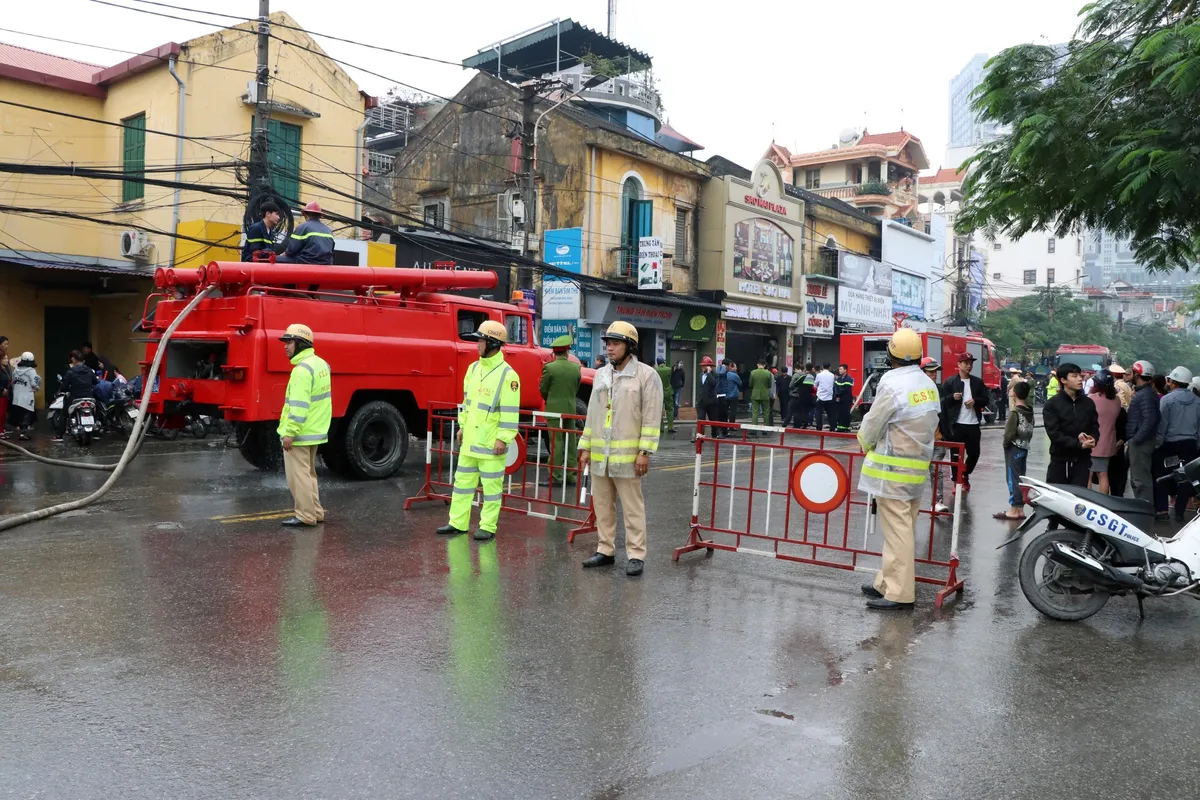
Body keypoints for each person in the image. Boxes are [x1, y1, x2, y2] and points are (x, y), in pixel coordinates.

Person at [856, 329, 940, 611]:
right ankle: (885, 582)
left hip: (892, 472)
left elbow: (874, 421)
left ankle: (900, 593)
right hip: (916, 472)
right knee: (900, 531)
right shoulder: (928, 385)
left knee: (898, 534)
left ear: (890, 354)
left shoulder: (892, 384)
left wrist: (863, 441)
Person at [578, 321, 663, 577]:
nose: (609, 348)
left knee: (632, 507)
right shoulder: (602, 375)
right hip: (601, 455)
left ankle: (636, 555)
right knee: (602, 505)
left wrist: (645, 452)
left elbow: (651, 416)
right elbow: (592, 414)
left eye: (615, 343)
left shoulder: (647, 376)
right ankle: (605, 550)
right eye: (608, 344)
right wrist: (586, 447)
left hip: (629, 457)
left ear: (630, 346)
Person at [437, 320, 520, 541]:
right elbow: (467, 402)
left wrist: (503, 438)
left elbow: (510, 412)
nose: (477, 344)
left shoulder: (508, 375)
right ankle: (457, 523)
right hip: (471, 441)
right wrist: (462, 425)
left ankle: (488, 527)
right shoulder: (473, 369)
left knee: (492, 488)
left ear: (493, 343)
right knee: (462, 485)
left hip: (492, 443)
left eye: (481, 340)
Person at [276, 324, 332, 528]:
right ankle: (316, 512)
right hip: (314, 431)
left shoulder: (301, 370)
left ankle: (306, 516)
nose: (285, 347)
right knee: (309, 476)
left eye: (289, 342)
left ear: (301, 344)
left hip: (299, 433)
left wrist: (289, 432)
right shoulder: (320, 364)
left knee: (298, 478)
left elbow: (298, 407)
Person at [1155, 366, 1200, 522]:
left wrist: (1158, 444)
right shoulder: (1197, 402)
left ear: (1173, 382)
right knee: (1186, 478)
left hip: (1170, 445)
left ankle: (1162, 510)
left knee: (1163, 476)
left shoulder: (1167, 400)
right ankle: (1179, 511)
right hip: (1190, 445)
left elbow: (1162, 426)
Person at [1042, 362, 1098, 487]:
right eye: (1074, 376)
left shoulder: (1088, 403)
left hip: (1082, 461)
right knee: (1057, 499)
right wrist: (1078, 444)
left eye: (1080, 375)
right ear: (1063, 380)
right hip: (1060, 461)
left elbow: (1095, 426)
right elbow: (1054, 433)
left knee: (1079, 500)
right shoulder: (1052, 404)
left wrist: (1093, 438)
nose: (1079, 379)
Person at [940, 353, 988, 492]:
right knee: (955, 455)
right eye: (966, 363)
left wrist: (975, 401)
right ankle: (957, 482)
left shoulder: (977, 382)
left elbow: (986, 399)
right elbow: (943, 402)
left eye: (971, 363)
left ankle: (964, 475)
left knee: (974, 453)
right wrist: (952, 397)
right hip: (957, 424)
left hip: (973, 424)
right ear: (958, 365)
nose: (969, 365)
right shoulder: (950, 382)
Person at [539, 334, 581, 486]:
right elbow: (576, 387)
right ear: (567, 351)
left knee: (555, 443)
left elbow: (543, 389)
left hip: (554, 409)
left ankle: (556, 476)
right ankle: (571, 476)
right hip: (570, 407)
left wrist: (550, 399)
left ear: (554, 352)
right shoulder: (576, 367)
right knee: (570, 442)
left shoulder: (549, 367)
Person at [996, 380, 1035, 519]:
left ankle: (1013, 509)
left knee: (1012, 478)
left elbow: (1009, 434)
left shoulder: (1015, 413)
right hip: (1024, 447)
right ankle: (1020, 509)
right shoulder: (1030, 412)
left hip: (1014, 448)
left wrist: (1006, 444)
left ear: (1014, 393)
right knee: (1021, 478)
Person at [1125, 360, 1160, 507]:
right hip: (1140, 441)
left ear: (1137, 374)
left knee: (1141, 481)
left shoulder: (1145, 394)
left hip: (1141, 443)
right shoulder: (1146, 393)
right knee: (1138, 479)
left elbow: (1150, 419)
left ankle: (1144, 511)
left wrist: (1136, 439)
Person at [922, 357, 952, 514]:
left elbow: (945, 414)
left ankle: (937, 501)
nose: (933, 375)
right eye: (930, 372)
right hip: (918, 441)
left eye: (935, 372)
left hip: (937, 439)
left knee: (936, 471)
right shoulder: (915, 391)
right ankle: (910, 503)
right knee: (914, 473)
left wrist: (947, 434)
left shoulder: (940, 390)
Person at [1088, 370, 1124, 495]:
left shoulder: (1091, 399)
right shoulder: (1117, 401)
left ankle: (1088, 500)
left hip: (1092, 441)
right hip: (1109, 443)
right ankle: (1103, 501)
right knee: (1103, 474)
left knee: (1088, 474)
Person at [53, 350, 98, 442]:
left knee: (64, 414)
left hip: (75, 397)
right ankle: (96, 434)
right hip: (89, 396)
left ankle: (59, 436)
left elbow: (64, 385)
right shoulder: (89, 370)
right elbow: (96, 382)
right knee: (95, 412)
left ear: (74, 360)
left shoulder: (71, 371)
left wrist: (61, 391)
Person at [9, 352, 41, 441]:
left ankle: (21, 432)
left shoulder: (15, 370)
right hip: (27, 396)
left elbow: (12, 383)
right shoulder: (31, 371)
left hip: (17, 396)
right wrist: (37, 387)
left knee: (20, 415)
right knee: (27, 415)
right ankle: (23, 434)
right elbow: (34, 383)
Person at [692, 356, 718, 442]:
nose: (703, 367)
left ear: (709, 366)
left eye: (705, 366)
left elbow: (714, 383)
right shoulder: (700, 375)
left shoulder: (714, 375)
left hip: (711, 401)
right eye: (702, 365)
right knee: (701, 419)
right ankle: (700, 436)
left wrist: (709, 373)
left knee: (713, 419)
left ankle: (714, 435)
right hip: (702, 401)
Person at [715, 359, 741, 436]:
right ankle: (725, 429)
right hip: (727, 395)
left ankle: (724, 430)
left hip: (725, 395)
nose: (731, 367)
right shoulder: (725, 373)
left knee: (724, 413)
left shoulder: (721, 372)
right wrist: (722, 367)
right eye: (730, 365)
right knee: (726, 413)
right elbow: (740, 383)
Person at [748, 359, 773, 434]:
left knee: (755, 412)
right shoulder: (768, 373)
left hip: (755, 394)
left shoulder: (753, 372)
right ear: (764, 365)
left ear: (757, 364)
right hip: (765, 394)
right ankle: (765, 429)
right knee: (766, 412)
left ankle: (754, 429)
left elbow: (750, 384)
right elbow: (769, 385)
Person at [654, 357, 675, 435]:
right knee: (669, 410)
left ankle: (661, 428)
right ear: (663, 362)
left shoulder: (655, 370)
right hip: (668, 392)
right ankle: (670, 427)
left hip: (658, 392)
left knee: (659, 411)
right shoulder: (668, 369)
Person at [789, 364, 815, 428]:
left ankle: (797, 424)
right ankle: (805, 423)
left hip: (801, 396)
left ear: (805, 369)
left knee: (798, 410)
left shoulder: (803, 376)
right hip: (810, 396)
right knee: (806, 411)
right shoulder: (813, 377)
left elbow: (794, 384)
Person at [814, 362, 835, 431]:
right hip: (829, 397)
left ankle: (819, 427)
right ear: (830, 367)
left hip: (820, 397)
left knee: (819, 413)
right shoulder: (832, 375)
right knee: (831, 413)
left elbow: (815, 385)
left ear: (822, 367)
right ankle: (832, 427)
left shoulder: (819, 375)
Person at [833, 364, 855, 432]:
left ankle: (846, 427)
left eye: (841, 369)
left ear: (845, 370)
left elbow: (846, 389)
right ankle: (840, 427)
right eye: (839, 369)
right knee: (840, 413)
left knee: (846, 413)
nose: (839, 370)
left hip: (846, 399)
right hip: (839, 399)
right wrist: (837, 396)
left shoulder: (849, 379)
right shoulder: (838, 379)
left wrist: (838, 395)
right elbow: (836, 387)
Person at [0, 335, 9, 439]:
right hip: (1, 391)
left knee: (3, 412)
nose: (6, 346)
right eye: (5, 344)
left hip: (5, 391)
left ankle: (1, 429)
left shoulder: (5, 368)